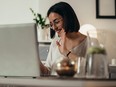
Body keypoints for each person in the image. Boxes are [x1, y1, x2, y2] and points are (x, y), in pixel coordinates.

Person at [40, 2, 88, 76]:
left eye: (57, 22)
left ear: (68, 18)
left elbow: (92, 68)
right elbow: (48, 72)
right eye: (51, 24)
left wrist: (66, 52)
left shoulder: (89, 42)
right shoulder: (54, 43)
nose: (54, 28)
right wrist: (36, 62)